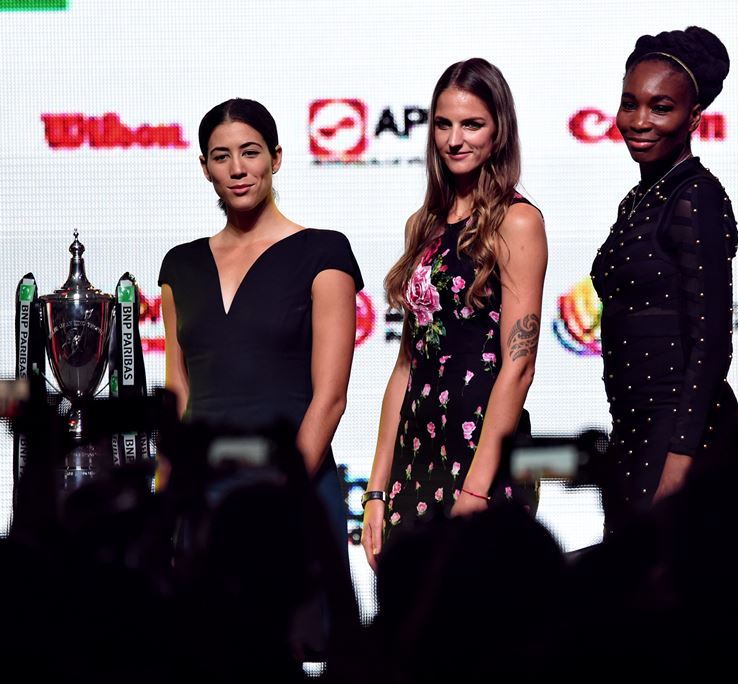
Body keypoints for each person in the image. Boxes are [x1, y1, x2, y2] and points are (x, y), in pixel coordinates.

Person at [158, 98, 363, 653]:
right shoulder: (179, 265)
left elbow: (331, 397)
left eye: (250, 152)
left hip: (293, 490)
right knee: (204, 654)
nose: (238, 168)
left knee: (296, 652)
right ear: (204, 167)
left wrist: (281, 493)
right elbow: (179, 392)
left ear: (275, 157)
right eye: (221, 157)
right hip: (204, 496)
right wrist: (166, 496)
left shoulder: (324, 252)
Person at [360, 58, 547, 569]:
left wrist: (477, 491)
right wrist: (376, 491)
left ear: (498, 131)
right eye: (443, 124)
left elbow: (519, 365)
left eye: (471, 124)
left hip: (482, 451)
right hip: (415, 451)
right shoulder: (422, 225)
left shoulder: (518, 222)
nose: (454, 139)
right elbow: (405, 366)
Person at [591, 27, 738, 537]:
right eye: (629, 104)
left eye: (660, 108)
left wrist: (679, 463)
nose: (639, 122)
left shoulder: (696, 196)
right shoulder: (639, 198)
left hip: (683, 438)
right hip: (633, 432)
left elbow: (711, 344)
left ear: (694, 117)